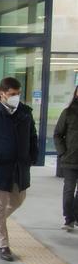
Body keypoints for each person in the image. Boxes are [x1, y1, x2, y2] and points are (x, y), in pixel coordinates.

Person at [0, 77, 38, 261]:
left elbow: (32, 136)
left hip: (19, 167)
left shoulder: (25, 113)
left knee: (18, 200)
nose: (16, 97)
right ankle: (4, 246)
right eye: (12, 94)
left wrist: (32, 156)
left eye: (18, 94)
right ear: (2, 94)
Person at [53, 85, 78, 231]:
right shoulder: (68, 113)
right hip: (70, 159)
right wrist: (63, 152)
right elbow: (57, 134)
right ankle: (69, 219)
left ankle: (76, 216)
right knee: (69, 190)